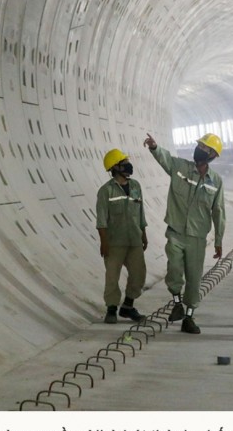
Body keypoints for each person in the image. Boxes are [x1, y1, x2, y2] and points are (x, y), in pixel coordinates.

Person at [143, 132, 225, 334]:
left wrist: (219, 240)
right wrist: (155, 147)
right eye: (200, 146)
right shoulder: (180, 167)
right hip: (176, 231)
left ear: (213, 155)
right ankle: (176, 302)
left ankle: (189, 316)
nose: (201, 150)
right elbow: (166, 160)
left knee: (194, 279)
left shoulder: (216, 181)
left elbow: (218, 211)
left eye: (206, 149)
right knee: (174, 270)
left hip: (197, 237)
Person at [96, 149, 148, 324]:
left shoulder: (136, 187)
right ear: (115, 167)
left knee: (138, 274)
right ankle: (111, 308)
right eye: (123, 162)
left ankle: (127, 306)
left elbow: (141, 212)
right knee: (112, 276)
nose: (128, 165)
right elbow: (102, 220)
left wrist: (144, 234)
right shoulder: (106, 191)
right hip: (114, 242)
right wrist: (104, 242)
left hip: (134, 239)